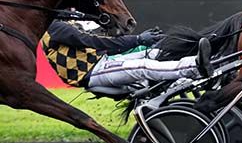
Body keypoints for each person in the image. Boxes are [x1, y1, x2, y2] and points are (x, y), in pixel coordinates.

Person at [41, 20, 214, 90]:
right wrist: (138, 39)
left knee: (154, 53)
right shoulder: (56, 28)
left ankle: (205, 70)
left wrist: (144, 41)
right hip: (90, 73)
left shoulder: (64, 23)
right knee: (142, 67)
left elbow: (105, 43)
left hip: (104, 61)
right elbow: (95, 42)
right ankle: (195, 66)